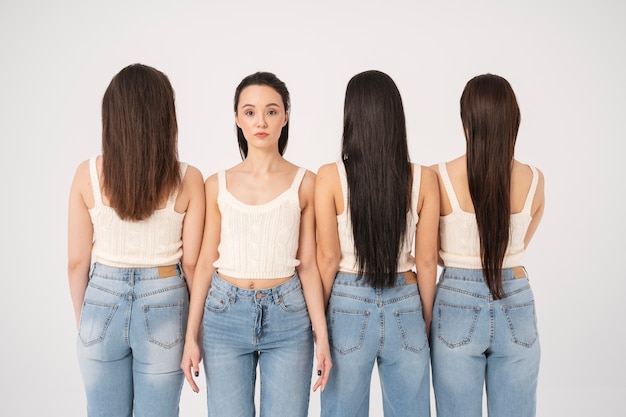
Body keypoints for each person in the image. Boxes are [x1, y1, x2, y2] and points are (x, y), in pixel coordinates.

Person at [180, 71, 332, 416]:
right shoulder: (215, 184)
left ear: (286, 116)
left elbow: (308, 265)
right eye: (249, 112)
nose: (260, 121)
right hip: (224, 315)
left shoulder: (306, 183)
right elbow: (204, 264)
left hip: (289, 316)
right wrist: (192, 335)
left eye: (271, 111)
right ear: (236, 118)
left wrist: (321, 336)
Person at [67, 63, 206, 417]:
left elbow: (76, 263)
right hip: (166, 300)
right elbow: (192, 264)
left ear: (112, 115)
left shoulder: (87, 176)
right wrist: (194, 332)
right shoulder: (189, 179)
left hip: (101, 300)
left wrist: (87, 322)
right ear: (165, 117)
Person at [315, 70, 439, 417]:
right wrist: (424, 318)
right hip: (406, 300)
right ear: (395, 117)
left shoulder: (330, 177)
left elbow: (327, 258)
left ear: (351, 115)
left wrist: (321, 321)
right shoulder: (424, 179)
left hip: (347, 301)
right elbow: (427, 261)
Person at [429, 73, 545, 417]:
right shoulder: (535, 180)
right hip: (515, 294)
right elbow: (519, 244)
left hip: (455, 299)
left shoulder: (439, 176)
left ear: (467, 119)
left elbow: (432, 252)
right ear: (514, 119)